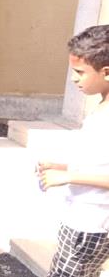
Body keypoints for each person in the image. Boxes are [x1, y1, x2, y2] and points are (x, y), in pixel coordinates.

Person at [38, 25, 109, 277]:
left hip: (93, 225)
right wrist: (63, 168)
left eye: (80, 72)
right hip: (79, 218)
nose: (74, 79)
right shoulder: (101, 107)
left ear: (106, 72)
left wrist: (69, 177)